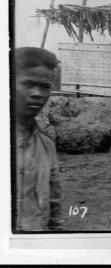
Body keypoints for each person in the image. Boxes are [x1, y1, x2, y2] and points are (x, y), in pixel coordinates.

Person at [13, 47, 63, 231]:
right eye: (28, 84)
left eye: (45, 87)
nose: (37, 93)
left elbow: (55, 211)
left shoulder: (46, 146)